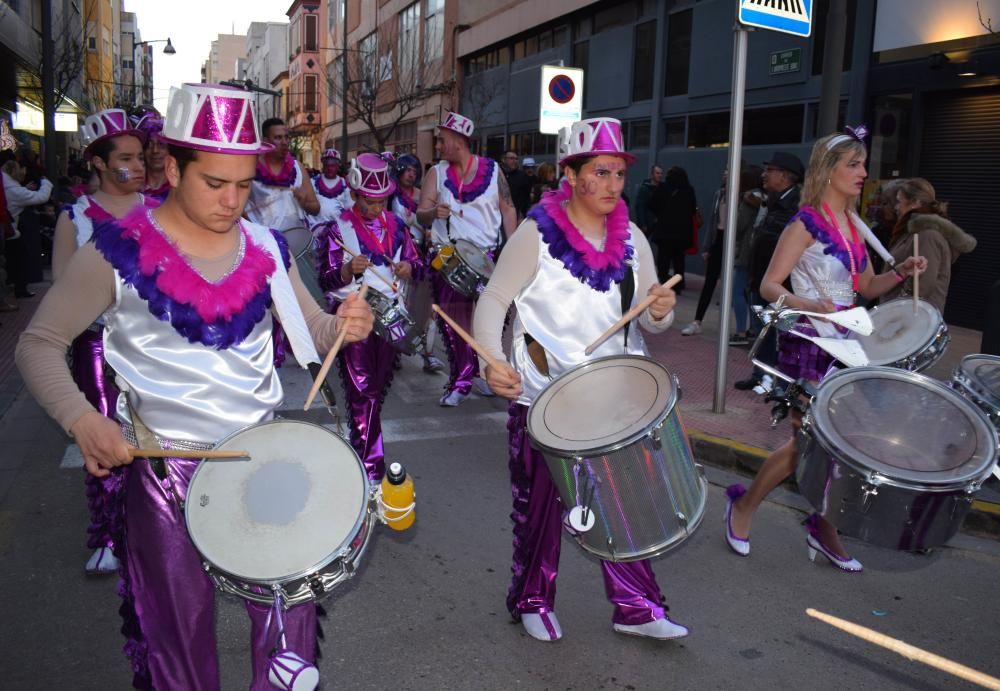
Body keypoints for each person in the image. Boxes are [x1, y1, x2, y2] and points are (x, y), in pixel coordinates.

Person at [14, 82, 373, 689]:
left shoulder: (264, 245)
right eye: (215, 183)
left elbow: (312, 326)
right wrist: (82, 418)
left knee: (289, 627)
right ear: (174, 168)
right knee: (176, 637)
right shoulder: (116, 250)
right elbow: (38, 344)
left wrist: (346, 323)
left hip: (263, 457)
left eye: (244, 183)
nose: (233, 200)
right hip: (165, 469)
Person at [473, 117, 687, 643]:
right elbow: (494, 300)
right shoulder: (535, 235)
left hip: (614, 397)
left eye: (618, 173)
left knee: (623, 503)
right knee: (540, 507)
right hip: (544, 397)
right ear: (571, 175)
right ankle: (532, 597)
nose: (613, 184)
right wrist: (489, 360)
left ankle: (636, 606)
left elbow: (653, 317)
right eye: (601, 172)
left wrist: (662, 309)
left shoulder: (634, 236)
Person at [723, 126, 926, 573]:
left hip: (848, 346)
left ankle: (822, 525)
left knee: (841, 446)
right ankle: (746, 508)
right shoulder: (804, 223)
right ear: (827, 171)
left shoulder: (857, 229)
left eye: (863, 163)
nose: (863, 172)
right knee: (807, 445)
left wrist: (902, 272)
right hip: (809, 345)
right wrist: (808, 303)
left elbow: (867, 287)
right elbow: (768, 285)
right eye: (852, 164)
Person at [51, 108, 158, 575]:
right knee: (105, 439)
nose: (139, 166)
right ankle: (108, 535)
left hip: (155, 347)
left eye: (141, 157)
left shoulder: (159, 211)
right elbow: (63, 293)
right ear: (98, 163)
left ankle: (158, 527)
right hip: (98, 346)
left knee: (157, 437)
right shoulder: (75, 219)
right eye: (127, 158)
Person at [315, 152, 421, 481]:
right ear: (356, 195)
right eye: (369, 201)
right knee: (363, 391)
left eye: (381, 201)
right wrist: (347, 269)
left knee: (374, 389)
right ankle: (371, 466)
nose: (376, 208)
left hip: (390, 318)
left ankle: (360, 441)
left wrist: (408, 268)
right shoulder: (337, 230)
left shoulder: (399, 227)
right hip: (354, 316)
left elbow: (417, 265)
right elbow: (325, 279)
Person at [417, 112, 517, 407]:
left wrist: (512, 250)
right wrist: (432, 213)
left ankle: (483, 372)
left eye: (442, 141)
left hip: (485, 256)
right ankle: (460, 379)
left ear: (459, 142)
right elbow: (420, 212)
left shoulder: (493, 170)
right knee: (453, 321)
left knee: (492, 319)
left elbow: (508, 210)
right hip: (446, 254)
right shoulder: (436, 173)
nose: (438, 146)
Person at [735, 151, 805, 392]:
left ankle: (780, 384)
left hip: (780, 285)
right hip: (763, 281)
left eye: (770, 170)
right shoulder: (774, 201)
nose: (764, 175)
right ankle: (761, 377)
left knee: (781, 336)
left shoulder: (793, 206)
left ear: (784, 176)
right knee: (762, 333)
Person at [680, 163, 761, 343]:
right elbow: (714, 221)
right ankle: (697, 321)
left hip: (737, 244)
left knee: (740, 288)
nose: (725, 173)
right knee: (710, 282)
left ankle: (747, 329)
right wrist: (708, 246)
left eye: (729, 170)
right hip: (720, 239)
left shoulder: (746, 198)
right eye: (724, 170)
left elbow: (742, 226)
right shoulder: (720, 194)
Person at [882, 177, 976, 313]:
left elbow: (922, 286)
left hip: (912, 322)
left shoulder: (927, 236)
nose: (896, 207)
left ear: (915, 203)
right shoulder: (912, 232)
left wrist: (897, 308)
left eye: (899, 201)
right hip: (906, 318)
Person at [390, 152, 444, 374]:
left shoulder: (423, 195)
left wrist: (429, 230)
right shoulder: (389, 195)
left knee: (427, 306)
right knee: (399, 302)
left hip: (422, 252)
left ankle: (428, 354)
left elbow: (431, 219)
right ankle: (394, 350)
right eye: (407, 170)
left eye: (415, 171)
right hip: (400, 253)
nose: (411, 174)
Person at [246, 116, 321, 231]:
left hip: (295, 242)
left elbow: (316, 209)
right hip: (263, 242)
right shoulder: (250, 169)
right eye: (278, 138)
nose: (284, 142)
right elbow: (238, 208)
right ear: (265, 141)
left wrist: (304, 202)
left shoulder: (297, 167)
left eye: (286, 137)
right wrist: (254, 231)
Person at [2, 156, 52, 298]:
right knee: (20, 259)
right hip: (9, 231)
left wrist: (25, 189)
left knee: (13, 260)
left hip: (8, 228)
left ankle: (14, 285)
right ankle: (20, 288)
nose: (23, 172)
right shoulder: (14, 190)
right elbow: (41, 197)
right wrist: (46, 183)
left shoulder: (8, 187)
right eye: (20, 169)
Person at [649, 165, 697, 291]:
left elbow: (653, 204)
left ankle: (664, 280)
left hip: (665, 230)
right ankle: (679, 284)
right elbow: (693, 209)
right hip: (682, 233)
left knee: (663, 258)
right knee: (679, 260)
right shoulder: (689, 190)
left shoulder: (664, 188)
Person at [130, 105, 171, 203]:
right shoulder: (130, 187)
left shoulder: (179, 188)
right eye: (149, 145)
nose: (155, 150)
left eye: (161, 145)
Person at [309, 148, 352, 225]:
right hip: (315, 228)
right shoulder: (313, 182)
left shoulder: (344, 184)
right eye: (326, 164)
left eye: (333, 165)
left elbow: (349, 207)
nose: (329, 168)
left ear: (338, 166)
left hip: (337, 230)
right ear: (323, 165)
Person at [500, 149, 531, 220]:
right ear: (503, 160)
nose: (514, 161)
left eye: (516, 159)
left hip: (516, 214)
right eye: (511, 158)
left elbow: (526, 197)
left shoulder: (522, 176)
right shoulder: (497, 174)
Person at [634, 164, 662, 236]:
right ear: (652, 174)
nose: (660, 175)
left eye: (661, 173)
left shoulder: (662, 188)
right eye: (657, 173)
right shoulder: (644, 189)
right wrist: (643, 224)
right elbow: (640, 207)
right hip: (648, 223)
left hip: (658, 225)